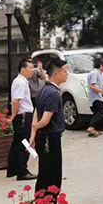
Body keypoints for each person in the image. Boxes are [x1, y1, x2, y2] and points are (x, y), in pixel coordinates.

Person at [30, 56, 68, 195]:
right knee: (53, 178)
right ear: (56, 74)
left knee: (44, 175)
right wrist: (37, 128)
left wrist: (34, 132)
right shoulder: (53, 93)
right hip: (50, 139)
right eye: (65, 71)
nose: (67, 74)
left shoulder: (43, 89)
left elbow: (36, 113)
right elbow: (45, 120)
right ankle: (48, 202)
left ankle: (40, 201)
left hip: (43, 137)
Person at [7, 57, 38, 181]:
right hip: (23, 116)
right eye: (30, 68)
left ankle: (13, 169)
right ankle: (22, 172)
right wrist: (14, 115)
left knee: (17, 143)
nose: (33, 70)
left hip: (22, 116)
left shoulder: (20, 81)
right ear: (23, 69)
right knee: (24, 144)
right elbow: (16, 101)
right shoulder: (20, 82)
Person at [86, 60, 103, 137]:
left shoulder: (98, 73)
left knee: (97, 112)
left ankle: (93, 129)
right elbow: (91, 86)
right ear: (101, 66)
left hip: (97, 96)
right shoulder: (95, 73)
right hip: (96, 97)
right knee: (102, 110)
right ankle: (91, 128)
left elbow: (96, 85)